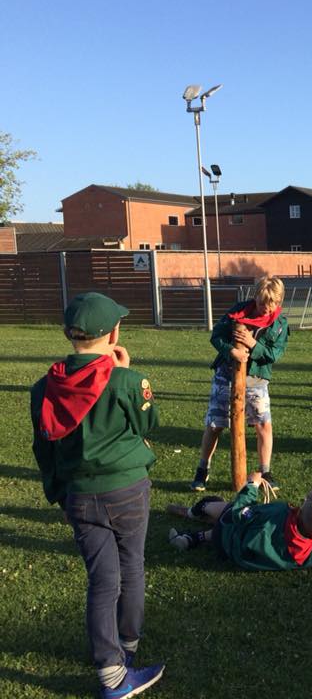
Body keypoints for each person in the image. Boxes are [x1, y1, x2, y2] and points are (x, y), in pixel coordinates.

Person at [30, 292, 165, 699]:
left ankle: (110, 669)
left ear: (69, 334)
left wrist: (59, 494)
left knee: (102, 580)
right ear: (113, 333)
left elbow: (44, 450)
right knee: (132, 566)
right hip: (127, 489)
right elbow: (148, 424)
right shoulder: (127, 380)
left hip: (79, 496)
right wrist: (125, 372)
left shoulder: (43, 388)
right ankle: (127, 644)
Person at [191, 275, 289, 492]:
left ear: (279, 301)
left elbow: (274, 354)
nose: (265, 309)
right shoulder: (238, 312)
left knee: (263, 425)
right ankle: (202, 470)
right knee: (215, 425)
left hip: (257, 380)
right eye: (262, 303)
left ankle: (265, 471)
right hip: (226, 376)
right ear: (255, 297)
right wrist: (231, 351)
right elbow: (217, 336)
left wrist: (253, 344)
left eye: (271, 305)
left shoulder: (280, 324)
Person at [168, 471, 312, 571]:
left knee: (222, 506)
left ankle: (196, 511)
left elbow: (240, 513)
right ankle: (194, 538)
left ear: (302, 507)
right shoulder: (311, 555)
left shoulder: (278, 514)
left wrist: (251, 485)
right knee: (232, 526)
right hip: (242, 557)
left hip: (231, 542)